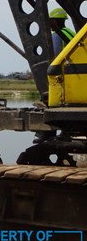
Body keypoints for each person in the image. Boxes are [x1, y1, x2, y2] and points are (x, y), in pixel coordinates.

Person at [33, 8, 76, 144]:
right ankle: (65, 132)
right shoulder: (71, 32)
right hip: (74, 74)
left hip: (63, 75)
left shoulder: (57, 35)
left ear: (54, 21)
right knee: (68, 106)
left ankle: (45, 133)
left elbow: (55, 56)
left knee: (48, 100)